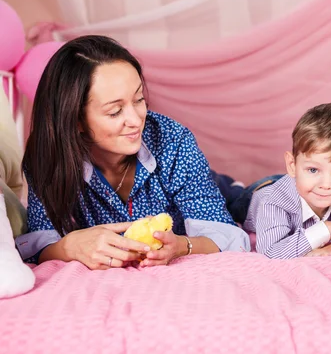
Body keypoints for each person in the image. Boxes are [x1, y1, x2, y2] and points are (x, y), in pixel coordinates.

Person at [17, 35, 249, 270]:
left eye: (138, 99)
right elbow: (38, 240)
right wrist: (69, 247)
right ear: (75, 119)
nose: (136, 120)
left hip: (216, 187)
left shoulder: (174, 140)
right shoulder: (46, 159)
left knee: (246, 200)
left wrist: (181, 245)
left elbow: (228, 234)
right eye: (115, 111)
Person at [243, 103, 331, 259]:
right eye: (313, 170)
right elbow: (271, 253)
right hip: (256, 192)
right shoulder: (273, 201)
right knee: (230, 197)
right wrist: (327, 229)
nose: (326, 185)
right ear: (292, 165)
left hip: (298, 182)